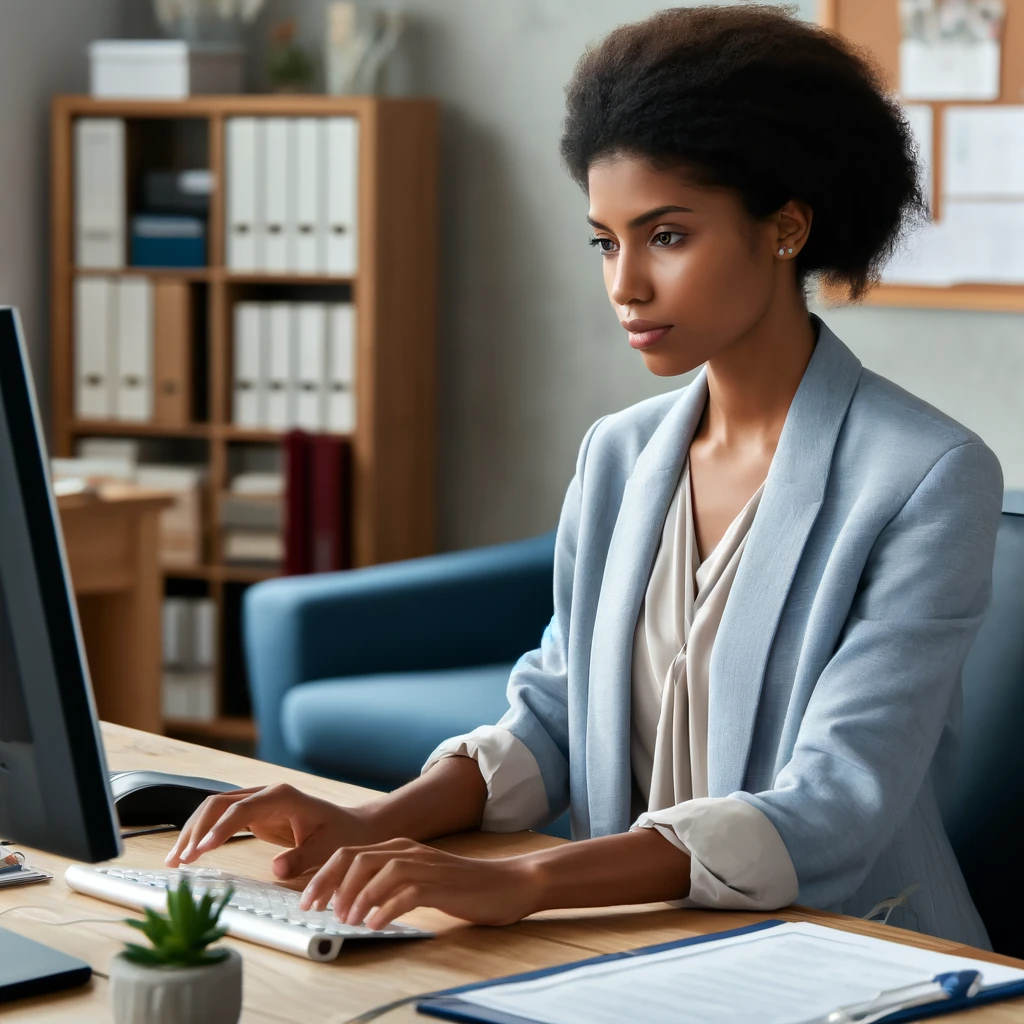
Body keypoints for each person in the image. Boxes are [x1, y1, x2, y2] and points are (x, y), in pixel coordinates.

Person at [167, 5, 1002, 947]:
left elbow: (835, 804)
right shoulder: (621, 452)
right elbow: (555, 715)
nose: (625, 285)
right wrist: (371, 820)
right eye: (606, 241)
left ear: (787, 228)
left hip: (851, 954)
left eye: (668, 236)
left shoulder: (928, 476)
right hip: (631, 937)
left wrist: (526, 881)